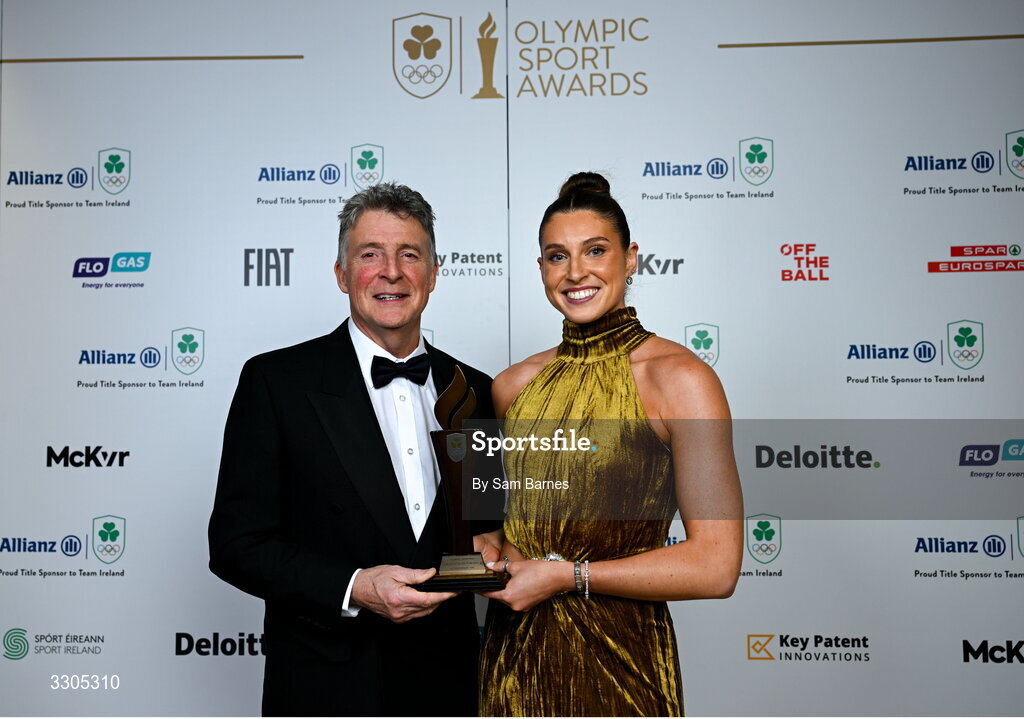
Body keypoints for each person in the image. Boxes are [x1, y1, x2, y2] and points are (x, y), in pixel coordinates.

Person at [208, 182, 499, 717]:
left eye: (409, 254)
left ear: (433, 274)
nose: (391, 271)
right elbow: (235, 543)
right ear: (342, 275)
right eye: (371, 255)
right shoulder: (276, 382)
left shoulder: (476, 390)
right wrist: (353, 587)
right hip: (326, 686)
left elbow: (484, 531)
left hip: (449, 686)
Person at [478, 172, 743, 716]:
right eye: (557, 256)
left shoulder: (682, 380)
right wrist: (492, 552)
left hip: (624, 667)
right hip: (515, 667)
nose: (575, 272)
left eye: (595, 250)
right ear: (541, 268)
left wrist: (569, 577)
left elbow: (717, 566)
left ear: (630, 258)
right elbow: (497, 530)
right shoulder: (510, 388)